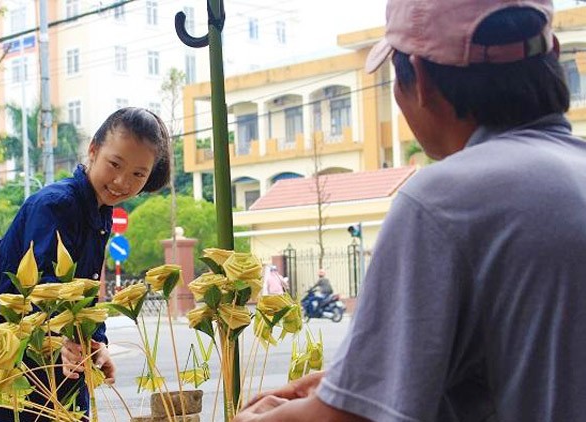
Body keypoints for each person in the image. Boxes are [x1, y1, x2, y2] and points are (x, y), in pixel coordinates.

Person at [234, 0, 586, 421]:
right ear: (551, 54)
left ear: (418, 79)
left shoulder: (444, 202)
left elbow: (347, 420)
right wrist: (356, 382)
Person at [0, 107, 171, 421]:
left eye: (138, 174)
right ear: (93, 150)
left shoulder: (99, 210)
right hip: (8, 357)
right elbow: (42, 289)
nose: (122, 181)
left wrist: (96, 342)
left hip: (54, 358)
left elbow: (84, 292)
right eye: (115, 164)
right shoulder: (57, 204)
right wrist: (60, 341)